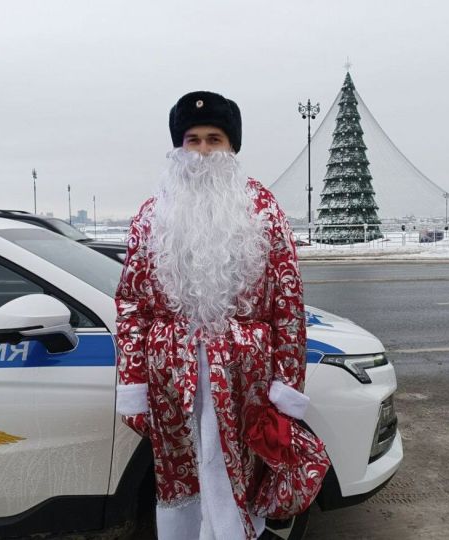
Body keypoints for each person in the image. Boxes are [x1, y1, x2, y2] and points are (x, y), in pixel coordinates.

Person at [114, 91, 309, 540]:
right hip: (172, 381)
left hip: (247, 381)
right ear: (178, 148)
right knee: (181, 481)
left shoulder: (263, 211)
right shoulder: (152, 215)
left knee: (240, 479)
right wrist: (135, 383)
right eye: (192, 140)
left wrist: (286, 386)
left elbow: (288, 304)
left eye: (214, 139)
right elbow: (131, 304)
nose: (202, 153)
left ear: (232, 147)